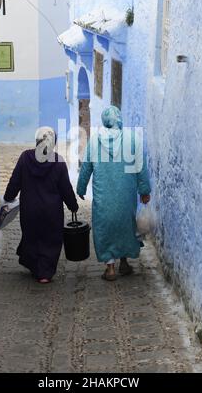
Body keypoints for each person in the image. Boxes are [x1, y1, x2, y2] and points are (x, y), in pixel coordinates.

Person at [77, 106, 151, 281]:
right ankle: (124, 263)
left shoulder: (95, 141)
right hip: (126, 196)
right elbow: (141, 167)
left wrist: (80, 188)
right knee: (125, 226)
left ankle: (110, 268)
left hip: (104, 198)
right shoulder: (133, 139)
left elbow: (86, 166)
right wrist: (144, 190)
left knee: (106, 229)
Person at [3, 127, 78, 284]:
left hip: (29, 209)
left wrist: (8, 197)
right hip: (52, 212)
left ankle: (36, 267)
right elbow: (66, 189)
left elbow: (14, 181)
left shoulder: (25, 157)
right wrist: (73, 205)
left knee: (32, 236)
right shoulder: (58, 162)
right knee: (50, 240)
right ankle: (44, 272)